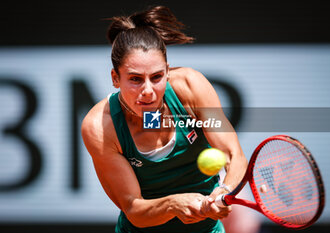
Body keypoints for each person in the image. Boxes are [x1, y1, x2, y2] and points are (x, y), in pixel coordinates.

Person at [81, 5, 248, 233]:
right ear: (115, 78)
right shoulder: (99, 127)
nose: (148, 90)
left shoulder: (191, 87)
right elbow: (133, 209)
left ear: (168, 72)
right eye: (136, 79)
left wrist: (225, 190)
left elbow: (233, 155)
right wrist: (172, 204)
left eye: (157, 77)